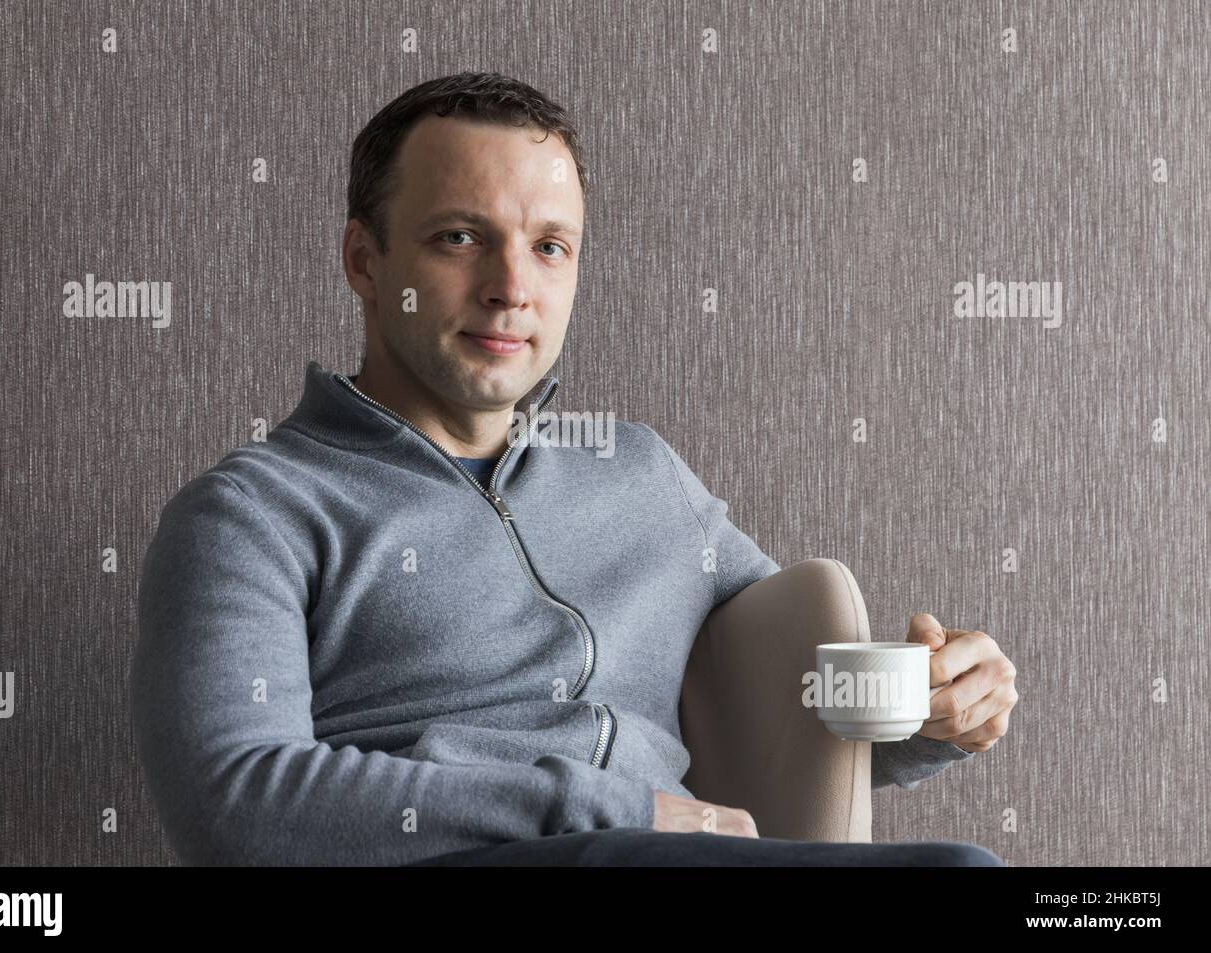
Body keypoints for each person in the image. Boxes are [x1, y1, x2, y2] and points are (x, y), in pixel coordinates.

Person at [130, 71, 1010, 867]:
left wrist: (934, 713)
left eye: (550, 246)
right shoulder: (251, 513)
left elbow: (794, 714)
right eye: (460, 237)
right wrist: (603, 811)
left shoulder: (641, 474)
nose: (512, 285)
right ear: (366, 259)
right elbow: (234, 801)